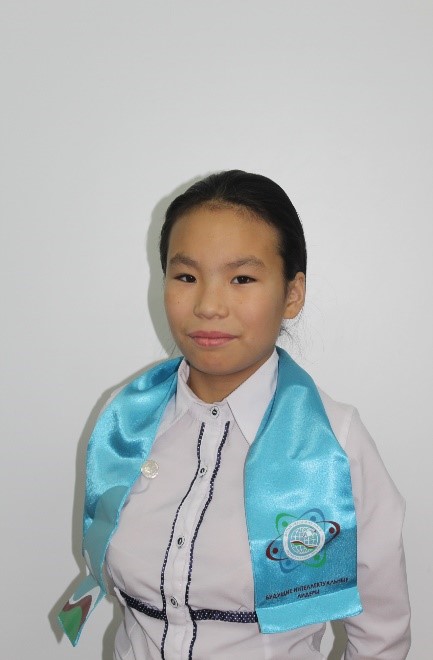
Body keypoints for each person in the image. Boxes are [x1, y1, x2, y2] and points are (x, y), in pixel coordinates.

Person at [59, 170, 411, 659]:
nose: (208, 305)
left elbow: (381, 638)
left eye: (241, 278)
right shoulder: (126, 419)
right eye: (186, 277)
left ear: (292, 293)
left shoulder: (334, 442)